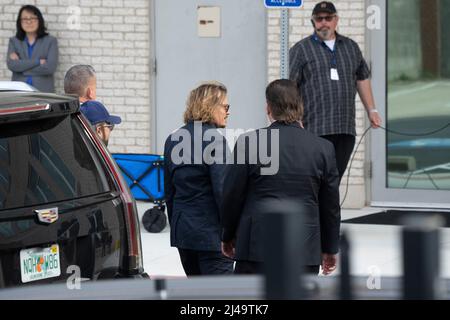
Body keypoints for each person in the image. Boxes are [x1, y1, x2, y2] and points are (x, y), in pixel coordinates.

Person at [221, 79, 341, 275]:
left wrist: (227, 236)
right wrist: (329, 247)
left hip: (256, 246)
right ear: (300, 106)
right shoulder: (323, 148)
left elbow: (232, 196)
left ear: (268, 108)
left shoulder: (249, 142)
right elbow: (330, 206)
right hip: (304, 247)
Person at [289, 1, 382, 180]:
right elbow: (291, 86)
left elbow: (362, 78)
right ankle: (317, 209)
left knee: (334, 179)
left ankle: (330, 209)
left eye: (328, 18)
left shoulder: (351, 47)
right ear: (313, 21)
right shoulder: (301, 49)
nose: (324, 22)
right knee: (316, 179)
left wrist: (372, 110)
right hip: (314, 128)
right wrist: (295, 119)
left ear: (336, 19)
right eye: (319, 19)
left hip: (345, 128)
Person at [163, 81, 233, 276]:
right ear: (209, 106)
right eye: (225, 106)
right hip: (212, 238)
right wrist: (231, 234)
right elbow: (223, 193)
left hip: (184, 235)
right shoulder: (215, 140)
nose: (228, 111)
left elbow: (170, 193)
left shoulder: (173, 139)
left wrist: (178, 227)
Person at [6, 5, 58, 93]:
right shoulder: (14, 41)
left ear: (39, 20)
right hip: (19, 91)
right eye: (25, 19)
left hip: (43, 91)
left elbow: (50, 67)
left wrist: (22, 69)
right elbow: (12, 65)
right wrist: (38, 62)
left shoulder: (50, 41)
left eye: (33, 18)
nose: (29, 22)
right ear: (20, 22)